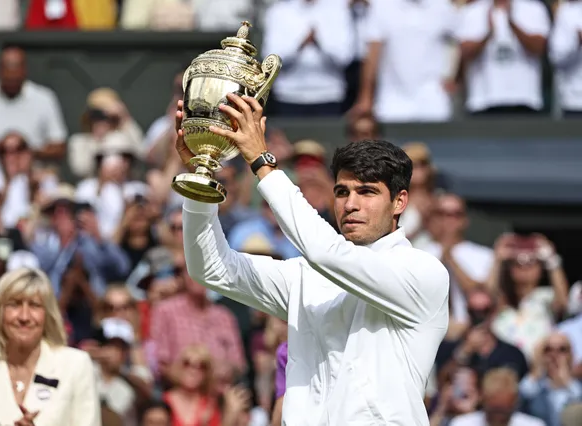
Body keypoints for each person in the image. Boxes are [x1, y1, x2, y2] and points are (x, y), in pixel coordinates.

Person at [175, 94, 450, 425]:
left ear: (399, 201)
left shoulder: (424, 272)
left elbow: (326, 253)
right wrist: (201, 180)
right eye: (342, 192)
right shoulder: (307, 274)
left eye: (367, 192)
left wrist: (263, 162)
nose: (350, 204)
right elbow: (212, 268)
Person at [0, 268, 101, 426]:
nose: (24, 316)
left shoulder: (76, 365)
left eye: (35, 305)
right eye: (14, 305)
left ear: (48, 314)